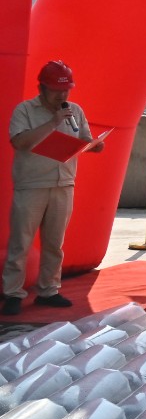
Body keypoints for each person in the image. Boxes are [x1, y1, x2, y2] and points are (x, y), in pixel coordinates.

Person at [4, 60, 102, 315]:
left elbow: (84, 138)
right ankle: (12, 292)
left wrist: (94, 145)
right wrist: (52, 122)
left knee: (54, 243)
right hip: (32, 184)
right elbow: (20, 142)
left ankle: (48, 290)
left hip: (64, 183)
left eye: (66, 90)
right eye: (57, 90)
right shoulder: (25, 110)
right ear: (42, 88)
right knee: (21, 242)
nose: (63, 95)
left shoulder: (75, 110)